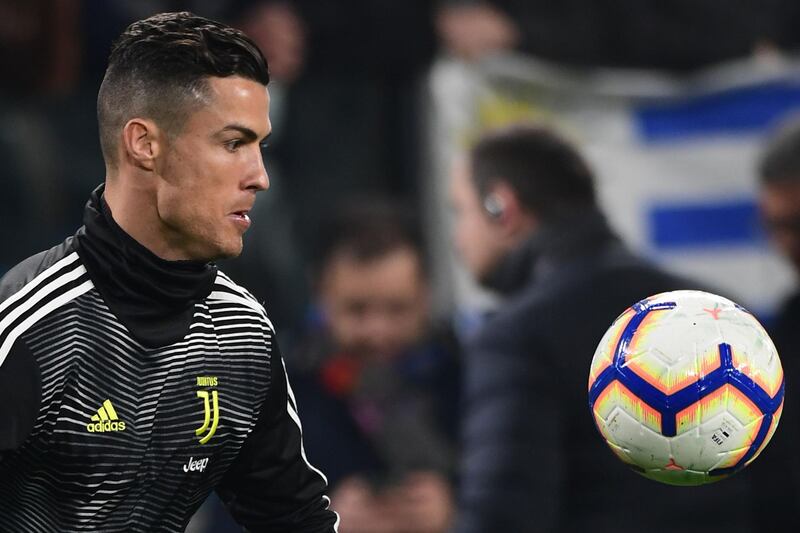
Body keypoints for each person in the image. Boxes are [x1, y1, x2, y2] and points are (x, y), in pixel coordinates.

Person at [0, 12, 337, 532]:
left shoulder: (241, 331)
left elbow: (293, 517)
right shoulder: (31, 328)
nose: (260, 177)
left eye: (260, 146)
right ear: (145, 145)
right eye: (233, 143)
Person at [449, 123, 759, 532]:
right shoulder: (727, 317)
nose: (458, 237)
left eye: (460, 211)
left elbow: (502, 518)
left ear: (501, 208)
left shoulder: (517, 339)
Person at [289, 200, 460, 533]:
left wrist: (458, 513)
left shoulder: (473, 382)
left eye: (397, 309)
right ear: (321, 295)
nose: (377, 332)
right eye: (357, 310)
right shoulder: (277, 396)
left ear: (426, 296)